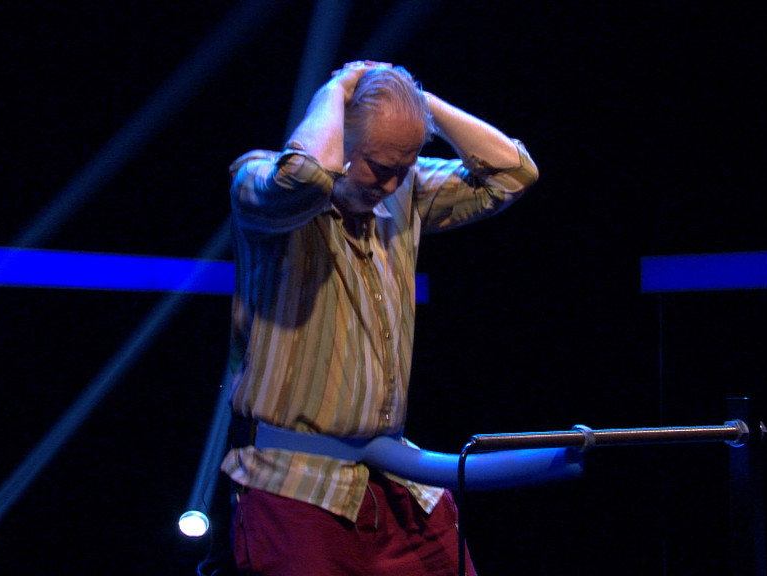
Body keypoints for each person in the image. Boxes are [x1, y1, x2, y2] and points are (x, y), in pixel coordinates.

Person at [217, 61, 539, 576]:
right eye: (377, 165)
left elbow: (513, 174)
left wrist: (418, 102)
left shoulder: (403, 190)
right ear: (341, 133)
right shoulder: (260, 183)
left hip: (392, 475)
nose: (389, 183)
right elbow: (309, 176)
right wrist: (338, 87)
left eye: (404, 167)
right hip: (296, 484)